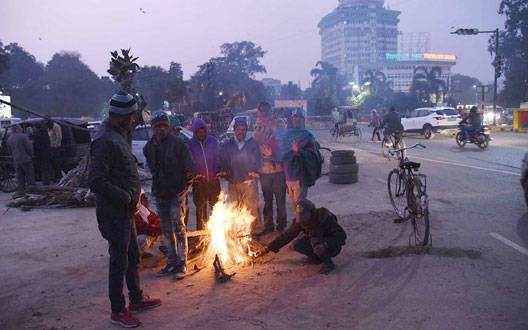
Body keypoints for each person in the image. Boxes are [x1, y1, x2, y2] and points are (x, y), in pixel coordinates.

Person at [88, 91, 161, 328]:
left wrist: (133, 198)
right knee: (119, 260)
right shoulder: (104, 140)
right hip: (114, 213)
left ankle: (136, 298)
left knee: (132, 256)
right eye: (131, 116)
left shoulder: (119, 135)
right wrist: (126, 197)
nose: (134, 121)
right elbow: (96, 180)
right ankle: (118, 310)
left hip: (126, 211)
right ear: (121, 116)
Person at [143, 111, 194, 278]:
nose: (162, 129)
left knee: (179, 228)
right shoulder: (149, 147)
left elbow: (190, 168)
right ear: (153, 129)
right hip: (160, 193)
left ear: (168, 127)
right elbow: (151, 168)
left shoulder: (178, 144)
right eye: (158, 127)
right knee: (166, 230)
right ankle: (171, 262)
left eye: (164, 126)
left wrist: (184, 188)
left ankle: (182, 263)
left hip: (176, 194)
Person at [263, 198, 347, 274]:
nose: (304, 222)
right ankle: (316, 258)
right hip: (315, 242)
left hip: (331, 247)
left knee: (316, 241)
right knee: (297, 244)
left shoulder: (325, 218)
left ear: (311, 212)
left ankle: (328, 263)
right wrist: (269, 248)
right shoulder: (301, 223)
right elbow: (287, 236)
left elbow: (341, 236)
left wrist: (325, 244)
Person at [218, 117, 262, 233]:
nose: (240, 132)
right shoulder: (229, 144)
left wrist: (256, 170)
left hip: (249, 182)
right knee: (236, 208)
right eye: (238, 129)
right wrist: (223, 170)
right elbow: (223, 159)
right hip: (233, 182)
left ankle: (255, 232)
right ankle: (241, 232)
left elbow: (258, 160)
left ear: (246, 130)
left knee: (252, 208)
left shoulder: (252, 143)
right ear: (234, 130)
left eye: (243, 129)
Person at [277, 109, 322, 210]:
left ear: (303, 120)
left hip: (300, 177)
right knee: (295, 207)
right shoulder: (286, 135)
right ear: (291, 119)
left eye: (299, 117)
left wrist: (299, 152)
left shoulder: (307, 135)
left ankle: (302, 224)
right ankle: (299, 224)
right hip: (288, 177)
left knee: (300, 208)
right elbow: (281, 153)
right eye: (295, 117)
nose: (297, 119)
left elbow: (313, 156)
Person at [254, 101, 287, 233]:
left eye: (266, 109)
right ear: (259, 111)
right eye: (262, 110)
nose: (264, 112)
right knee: (267, 201)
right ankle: (268, 226)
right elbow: (256, 141)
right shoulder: (258, 124)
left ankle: (281, 226)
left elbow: (283, 139)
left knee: (280, 200)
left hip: (278, 169)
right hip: (264, 170)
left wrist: (272, 127)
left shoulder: (279, 122)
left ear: (270, 110)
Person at [188, 118, 221, 230]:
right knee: (200, 211)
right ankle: (201, 235)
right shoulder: (191, 144)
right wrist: (195, 173)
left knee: (216, 208)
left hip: (213, 182)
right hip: (199, 183)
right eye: (199, 132)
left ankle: (216, 231)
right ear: (195, 132)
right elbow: (190, 161)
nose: (202, 134)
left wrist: (217, 171)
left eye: (204, 131)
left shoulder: (212, 141)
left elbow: (218, 158)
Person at [7, 125, 35, 192]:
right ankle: (31, 190)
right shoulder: (23, 136)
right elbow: (29, 147)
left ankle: (21, 190)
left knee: (20, 177)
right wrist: (31, 155)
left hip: (16, 160)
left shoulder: (9, 138)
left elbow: (9, 150)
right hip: (26, 159)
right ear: (18, 129)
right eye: (21, 128)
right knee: (29, 175)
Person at [135, 190, 162, 257]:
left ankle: (140, 253)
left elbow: (155, 219)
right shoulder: (134, 213)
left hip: (133, 239)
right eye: (144, 198)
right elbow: (144, 228)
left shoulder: (143, 210)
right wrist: (162, 229)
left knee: (162, 225)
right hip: (126, 243)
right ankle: (135, 255)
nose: (147, 200)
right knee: (145, 238)